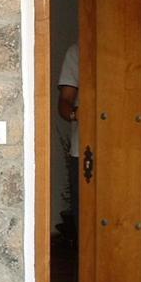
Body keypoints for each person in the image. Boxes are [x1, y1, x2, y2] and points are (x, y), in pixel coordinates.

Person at [57, 43, 79, 243]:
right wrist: (75, 114)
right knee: (84, 217)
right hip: (84, 152)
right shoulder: (77, 51)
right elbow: (65, 100)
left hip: (130, 150)